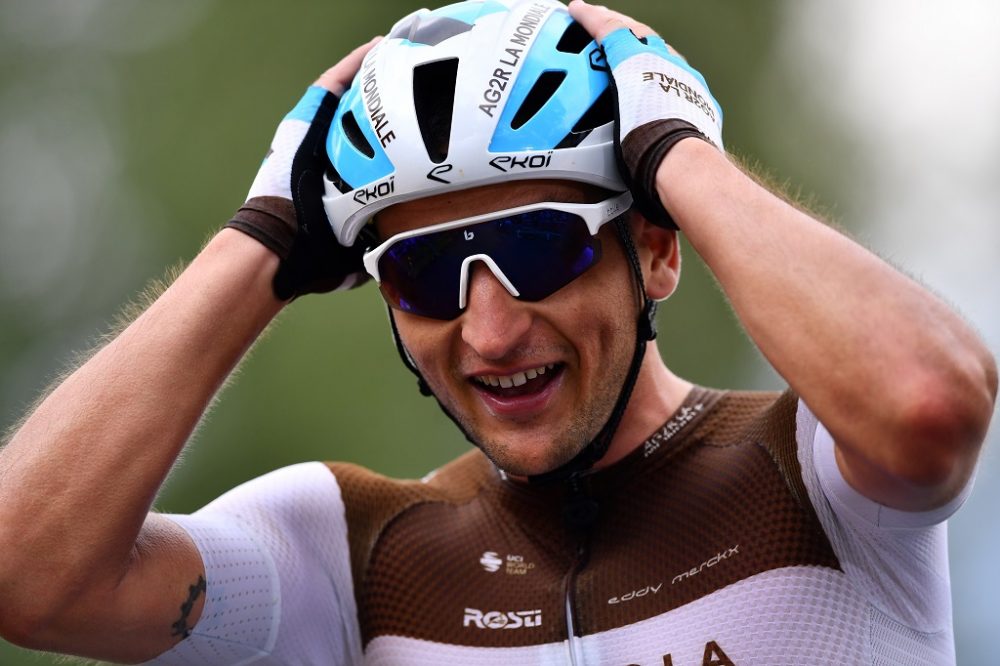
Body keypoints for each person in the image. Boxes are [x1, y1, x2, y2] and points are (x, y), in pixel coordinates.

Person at [0, 0, 995, 664]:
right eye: (425, 275)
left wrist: (681, 153)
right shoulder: (351, 559)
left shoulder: (818, 476)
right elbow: (27, 576)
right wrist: (259, 236)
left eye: (537, 248)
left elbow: (926, 402)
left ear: (654, 249)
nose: (489, 327)